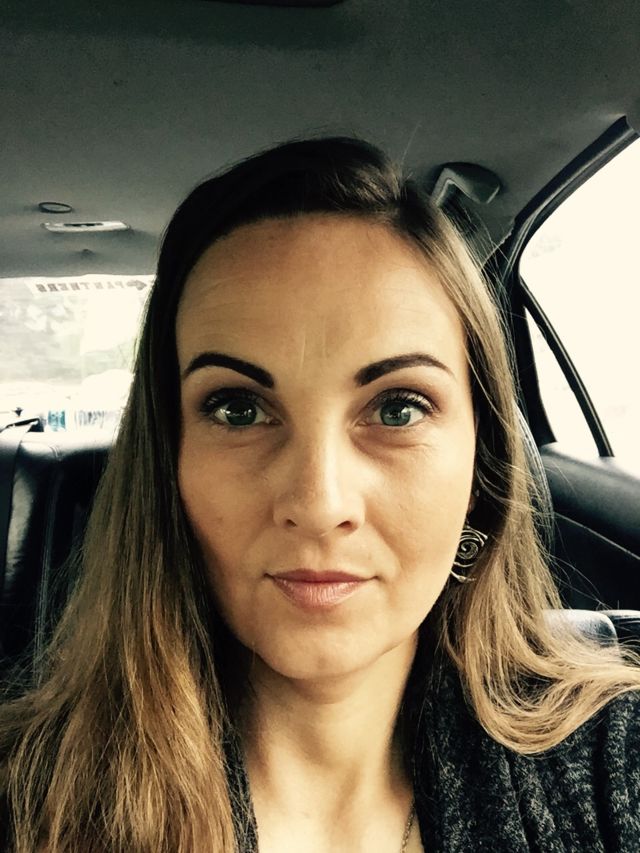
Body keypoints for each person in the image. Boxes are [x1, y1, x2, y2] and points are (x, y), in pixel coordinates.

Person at [1, 137, 639, 853]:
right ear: (168, 463)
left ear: (479, 465)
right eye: (238, 409)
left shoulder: (611, 760)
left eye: (397, 408)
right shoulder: (26, 801)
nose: (318, 502)